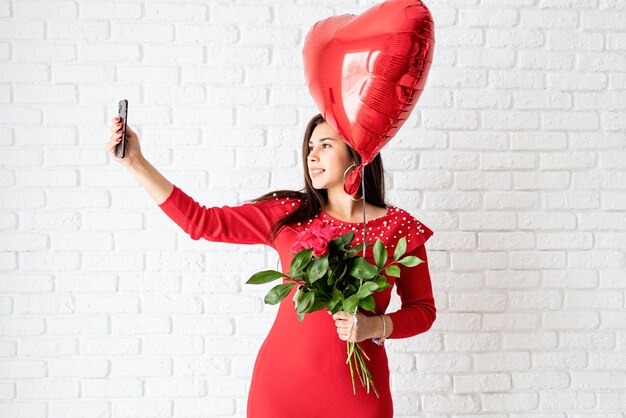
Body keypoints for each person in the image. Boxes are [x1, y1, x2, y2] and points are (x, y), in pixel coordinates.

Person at [105, 113, 436, 417]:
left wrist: (374, 327)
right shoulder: (290, 214)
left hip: (359, 394)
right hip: (282, 388)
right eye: (310, 147)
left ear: (358, 153)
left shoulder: (400, 228)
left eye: (325, 145)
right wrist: (136, 162)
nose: (312, 156)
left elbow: (423, 310)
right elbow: (201, 222)